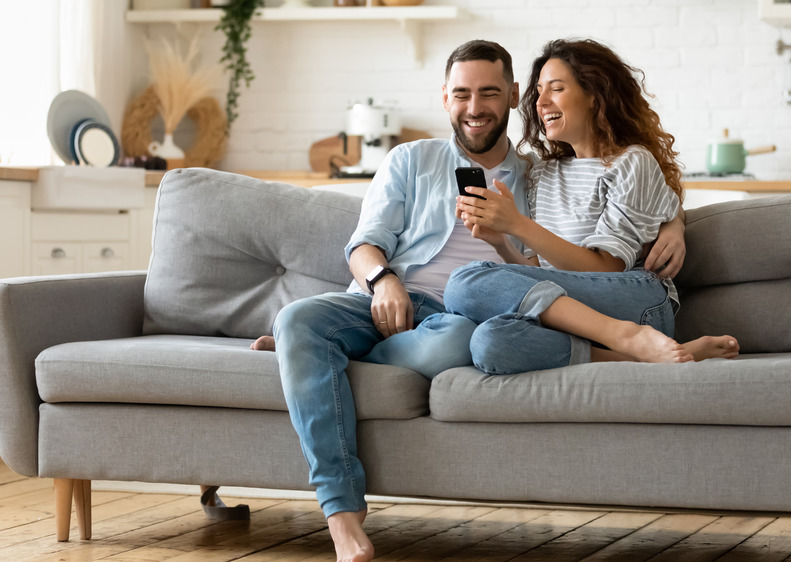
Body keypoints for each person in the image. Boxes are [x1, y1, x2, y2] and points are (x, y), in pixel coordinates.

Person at [271, 39, 686, 562]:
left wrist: (676, 223)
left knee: (464, 329)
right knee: (298, 319)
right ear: (444, 98)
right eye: (461, 94)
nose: (474, 107)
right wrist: (384, 280)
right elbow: (363, 245)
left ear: (512, 97)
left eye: (489, 93)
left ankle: (313, 356)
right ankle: (342, 516)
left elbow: (624, 188)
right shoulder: (410, 160)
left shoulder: (537, 171)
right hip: (385, 298)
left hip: (459, 315)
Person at [444, 38, 738, 376]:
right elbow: (538, 273)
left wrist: (518, 225)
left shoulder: (631, 163)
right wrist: (501, 242)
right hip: (572, 309)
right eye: (538, 91)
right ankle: (641, 354)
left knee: (464, 281)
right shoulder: (542, 173)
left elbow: (607, 268)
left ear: (595, 95)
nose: (540, 102)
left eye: (556, 88)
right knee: (489, 342)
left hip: (634, 301)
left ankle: (628, 335)